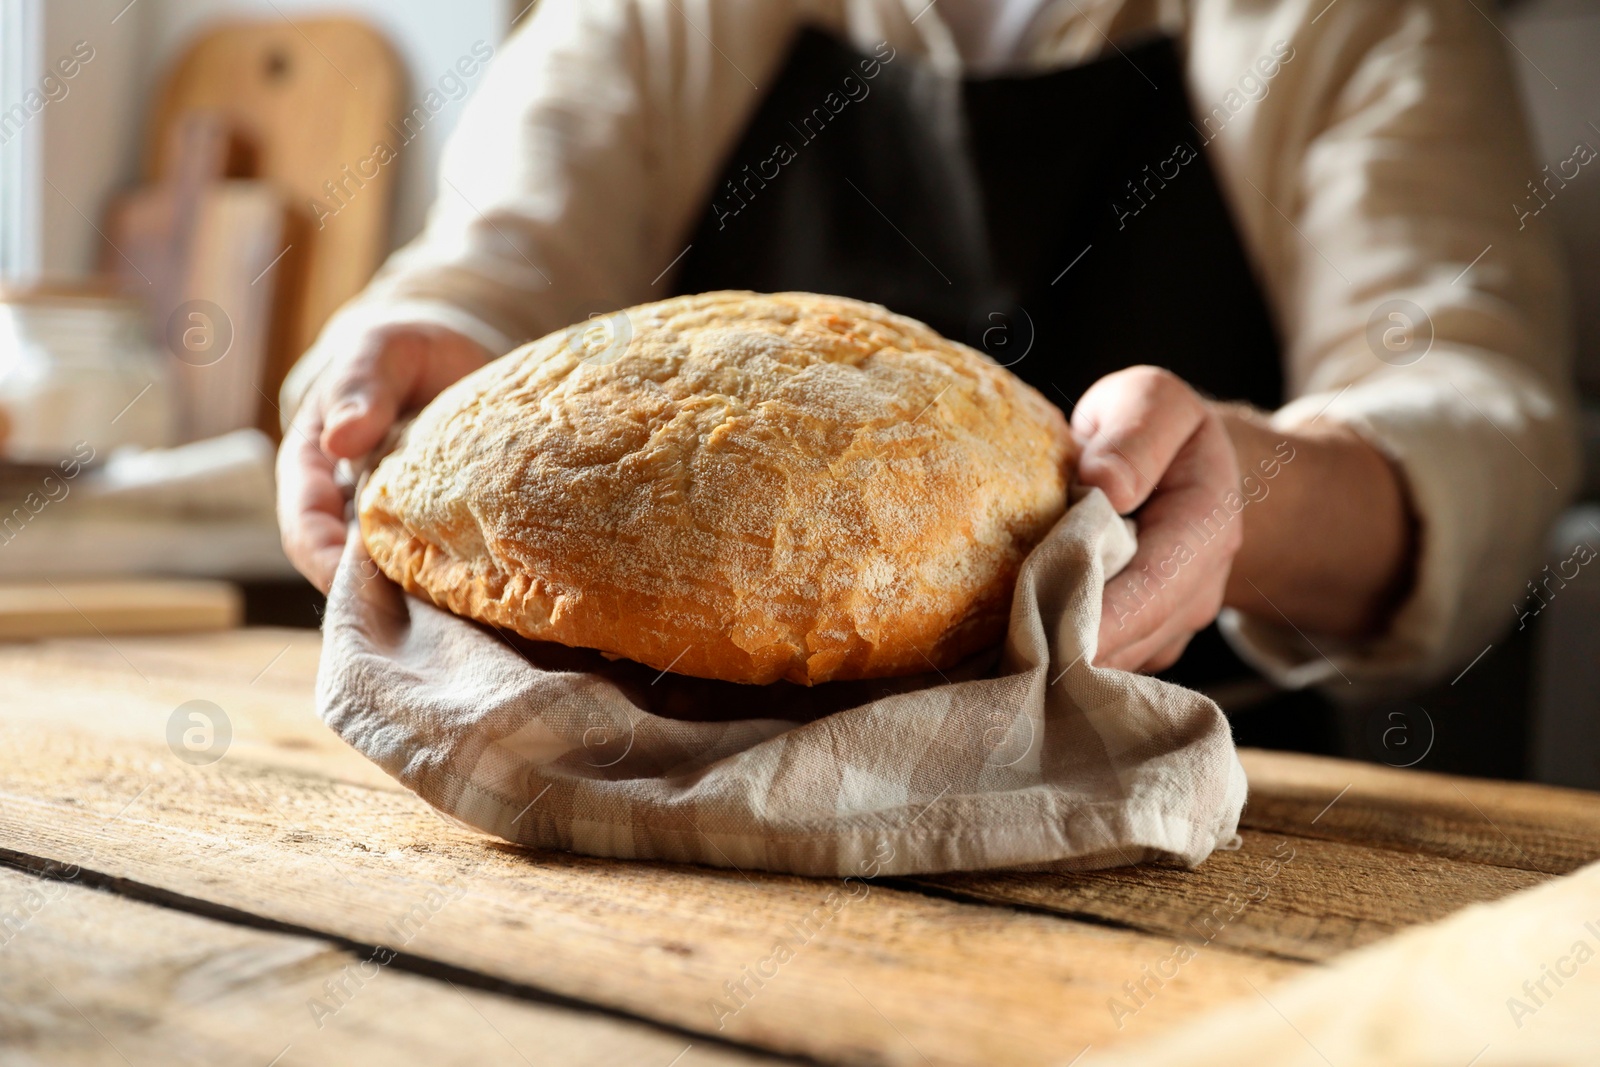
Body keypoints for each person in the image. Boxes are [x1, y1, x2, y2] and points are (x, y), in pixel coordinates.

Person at [276, 0, 1577, 692]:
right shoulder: (652, 17)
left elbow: (1475, 415)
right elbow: (488, 278)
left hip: (1188, 811)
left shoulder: (1359, 26)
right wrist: (402, 347)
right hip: (674, 791)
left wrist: (1245, 492)